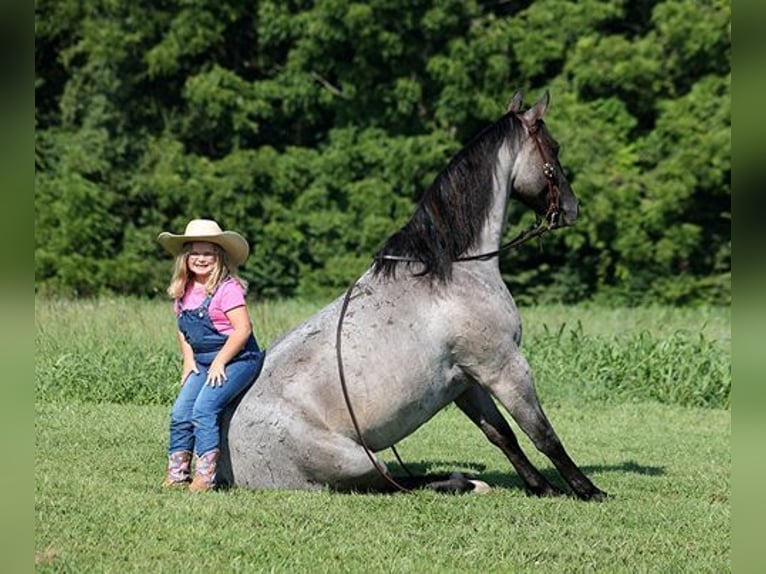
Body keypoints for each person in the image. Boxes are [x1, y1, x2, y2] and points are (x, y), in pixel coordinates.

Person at [157, 218, 264, 492]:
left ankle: (206, 476)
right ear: (185, 257)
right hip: (202, 362)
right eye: (195, 252)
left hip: (237, 359)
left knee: (204, 409)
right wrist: (188, 359)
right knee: (181, 412)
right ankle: (177, 472)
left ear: (219, 257)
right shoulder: (184, 290)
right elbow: (183, 329)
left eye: (208, 253)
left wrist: (220, 361)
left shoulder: (227, 290)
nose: (201, 259)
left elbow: (243, 330)